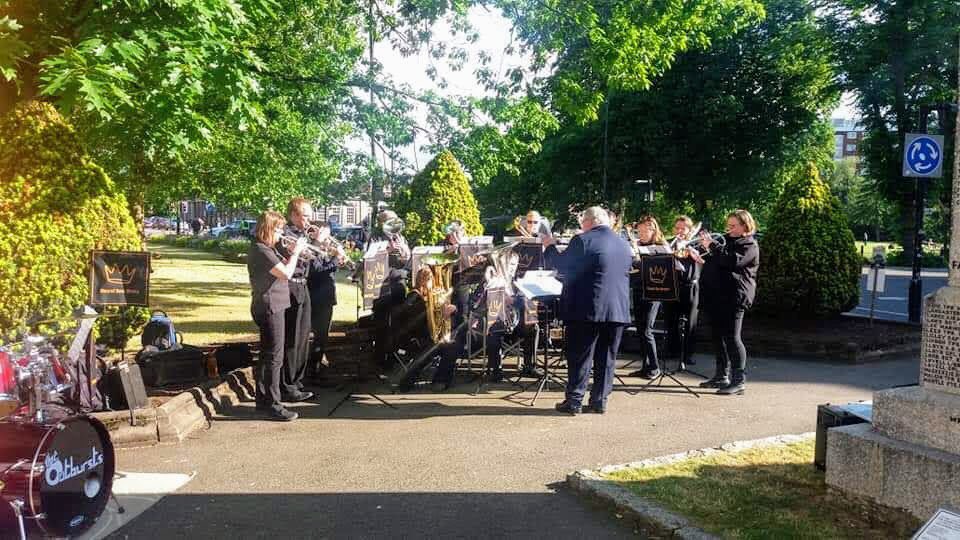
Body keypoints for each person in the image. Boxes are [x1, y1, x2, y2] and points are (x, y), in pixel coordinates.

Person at [543, 206, 633, 414]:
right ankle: (599, 401)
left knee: (580, 356)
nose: (581, 226)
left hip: (587, 309)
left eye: (582, 222)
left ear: (589, 221)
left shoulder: (582, 240)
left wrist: (549, 246)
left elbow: (562, 265)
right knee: (607, 358)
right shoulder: (623, 243)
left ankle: (574, 401)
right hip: (617, 309)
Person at [689, 209, 759, 395]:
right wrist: (702, 258)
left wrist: (712, 247)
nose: (728, 229)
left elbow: (732, 262)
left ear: (745, 226)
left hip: (734, 297)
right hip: (716, 296)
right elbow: (718, 262)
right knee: (717, 337)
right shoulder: (728, 242)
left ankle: (739, 380)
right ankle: (721, 375)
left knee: (732, 337)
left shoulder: (749, 245)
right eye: (728, 225)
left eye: (733, 226)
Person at [247, 211, 307, 421]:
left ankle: (264, 401)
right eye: (279, 229)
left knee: (269, 356)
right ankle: (271, 404)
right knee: (274, 357)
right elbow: (286, 273)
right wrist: (297, 252)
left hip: (275, 304)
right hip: (270, 306)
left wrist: (291, 252)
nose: (282, 233)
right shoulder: (261, 249)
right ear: (268, 229)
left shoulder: (267, 249)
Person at [391, 266, 460, 391]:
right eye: (429, 280)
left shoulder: (430, 298)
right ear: (422, 281)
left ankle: (440, 380)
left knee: (452, 346)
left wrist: (451, 310)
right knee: (443, 347)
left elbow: (438, 319)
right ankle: (411, 381)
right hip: (414, 340)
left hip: (428, 338)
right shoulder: (414, 297)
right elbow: (415, 323)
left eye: (432, 280)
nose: (432, 283)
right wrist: (436, 312)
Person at [276, 197, 315, 402]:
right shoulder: (285, 235)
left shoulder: (303, 235)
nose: (309, 220)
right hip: (291, 287)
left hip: (304, 286)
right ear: (293, 215)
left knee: (303, 337)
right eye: (306, 216)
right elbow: (292, 258)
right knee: (291, 338)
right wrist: (302, 247)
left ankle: (297, 381)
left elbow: (317, 260)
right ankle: (287, 385)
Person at [626, 216, 672, 379]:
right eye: (640, 231)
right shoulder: (638, 245)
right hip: (639, 289)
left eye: (645, 231)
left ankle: (654, 367)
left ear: (654, 230)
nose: (642, 234)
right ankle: (645, 366)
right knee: (640, 329)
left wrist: (637, 256)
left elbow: (659, 268)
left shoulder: (661, 247)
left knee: (647, 330)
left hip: (653, 291)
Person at [306, 221, 342, 381]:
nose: (329, 238)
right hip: (315, 297)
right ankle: (312, 371)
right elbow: (317, 270)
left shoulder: (323, 248)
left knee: (322, 337)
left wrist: (336, 260)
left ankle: (318, 368)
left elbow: (327, 269)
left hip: (326, 296)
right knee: (316, 336)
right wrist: (335, 259)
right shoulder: (309, 247)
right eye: (325, 234)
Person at [665, 215, 701, 365]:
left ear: (689, 229)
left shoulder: (697, 244)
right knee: (670, 319)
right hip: (672, 286)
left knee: (690, 322)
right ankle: (672, 350)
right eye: (677, 228)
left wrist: (690, 248)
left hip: (690, 286)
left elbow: (702, 260)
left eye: (683, 228)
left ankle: (688, 354)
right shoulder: (669, 243)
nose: (679, 231)